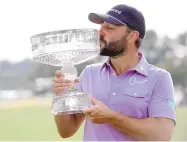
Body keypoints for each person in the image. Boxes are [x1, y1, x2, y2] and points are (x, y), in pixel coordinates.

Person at [53, 4, 176, 141]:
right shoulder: (89, 73)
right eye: (101, 26)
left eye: (110, 28)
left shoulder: (159, 78)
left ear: (132, 36)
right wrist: (62, 97)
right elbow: (66, 131)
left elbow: (162, 135)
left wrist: (112, 117)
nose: (100, 32)